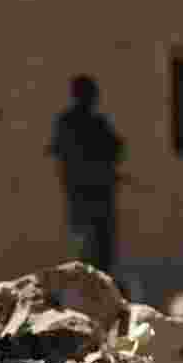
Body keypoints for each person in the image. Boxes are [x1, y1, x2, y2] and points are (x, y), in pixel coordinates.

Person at [48, 75, 125, 275]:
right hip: (83, 195)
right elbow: (62, 153)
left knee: (101, 251)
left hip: (98, 194)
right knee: (87, 250)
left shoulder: (96, 123)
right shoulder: (70, 122)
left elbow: (116, 149)